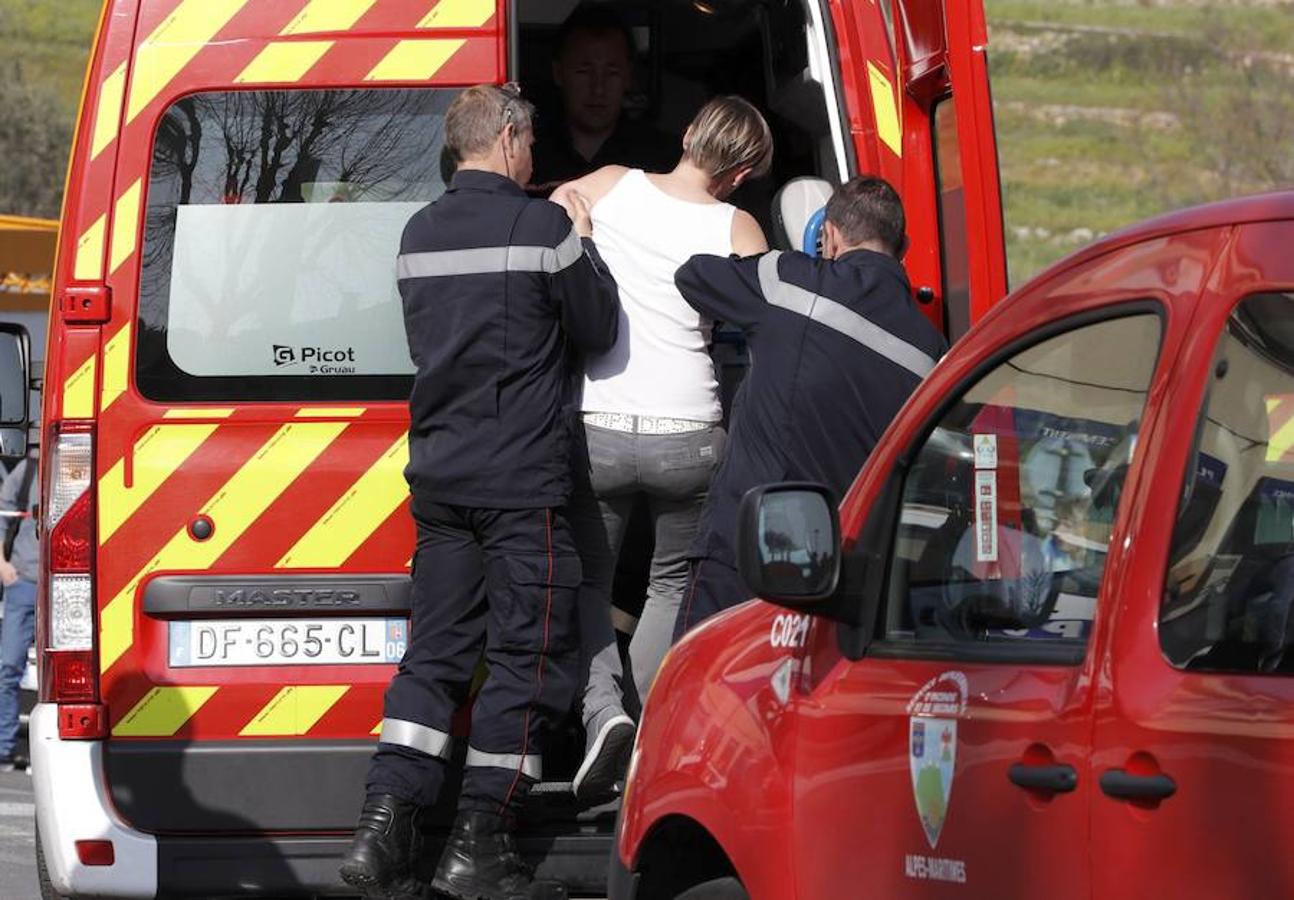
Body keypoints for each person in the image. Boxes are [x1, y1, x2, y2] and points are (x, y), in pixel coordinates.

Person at [339, 84, 619, 900]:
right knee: (524, 662)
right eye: (529, 142)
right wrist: (586, 240)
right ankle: (479, 844)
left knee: (434, 657)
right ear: (506, 139)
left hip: (440, 478)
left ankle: (381, 834)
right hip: (520, 483)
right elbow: (596, 327)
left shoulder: (416, 232)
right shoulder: (544, 229)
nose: (534, 157)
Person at [551, 96, 772, 799]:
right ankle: (646, 737)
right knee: (670, 585)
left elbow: (555, 202)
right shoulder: (738, 225)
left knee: (590, 581)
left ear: (685, 134)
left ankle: (604, 713)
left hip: (601, 427)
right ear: (741, 174)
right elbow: (766, 319)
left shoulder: (613, 181)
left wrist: (578, 222)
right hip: (690, 430)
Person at [671, 176, 948, 636]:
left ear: (830, 235)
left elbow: (694, 276)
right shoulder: (932, 354)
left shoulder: (789, 281)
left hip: (744, 551)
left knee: (702, 695)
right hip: (841, 575)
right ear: (904, 247)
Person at [529, 4, 676, 191]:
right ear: (558, 73)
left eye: (612, 73)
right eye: (584, 71)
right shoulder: (528, 154)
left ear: (628, 76)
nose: (598, 88)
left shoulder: (661, 159)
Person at [0, 455, 36, 772]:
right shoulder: (29, 471)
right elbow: (1, 514)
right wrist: (2, 564)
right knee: (9, 666)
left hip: (68, 587)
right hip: (24, 583)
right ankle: (5, 749)